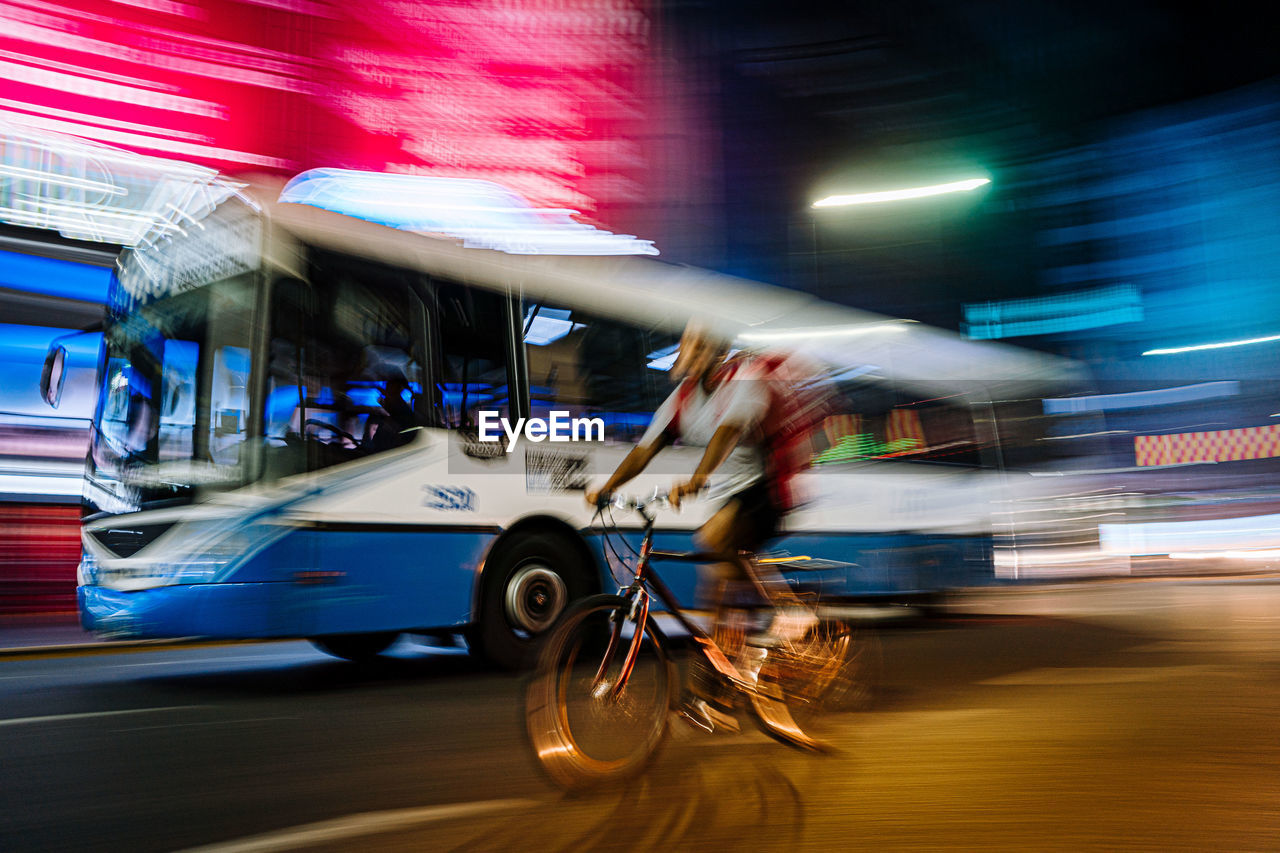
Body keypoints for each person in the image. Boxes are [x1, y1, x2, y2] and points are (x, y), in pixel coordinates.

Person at [585, 320, 808, 730]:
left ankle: (781, 615)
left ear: (718, 352)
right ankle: (719, 693)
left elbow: (727, 432)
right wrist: (608, 487)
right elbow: (646, 448)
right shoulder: (683, 397)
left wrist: (698, 478)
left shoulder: (744, 378)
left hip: (772, 486)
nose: (690, 352)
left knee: (718, 540)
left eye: (700, 345)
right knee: (716, 582)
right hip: (735, 494)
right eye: (687, 343)